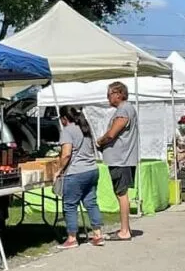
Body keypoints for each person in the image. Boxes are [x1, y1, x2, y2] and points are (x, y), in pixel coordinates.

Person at [95, 81, 137, 242]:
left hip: (121, 159)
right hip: (122, 158)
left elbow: (112, 133)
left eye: (109, 94)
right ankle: (125, 228)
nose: (107, 97)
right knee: (121, 192)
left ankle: (125, 230)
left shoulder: (124, 110)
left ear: (119, 94)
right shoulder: (126, 109)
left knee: (121, 193)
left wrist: (100, 141)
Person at [57, 106, 103, 248]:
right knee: (91, 202)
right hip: (92, 170)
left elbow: (66, 154)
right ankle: (98, 235)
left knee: (70, 205)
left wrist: (59, 170)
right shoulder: (85, 128)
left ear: (64, 118)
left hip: (76, 172)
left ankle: (72, 238)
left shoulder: (67, 131)